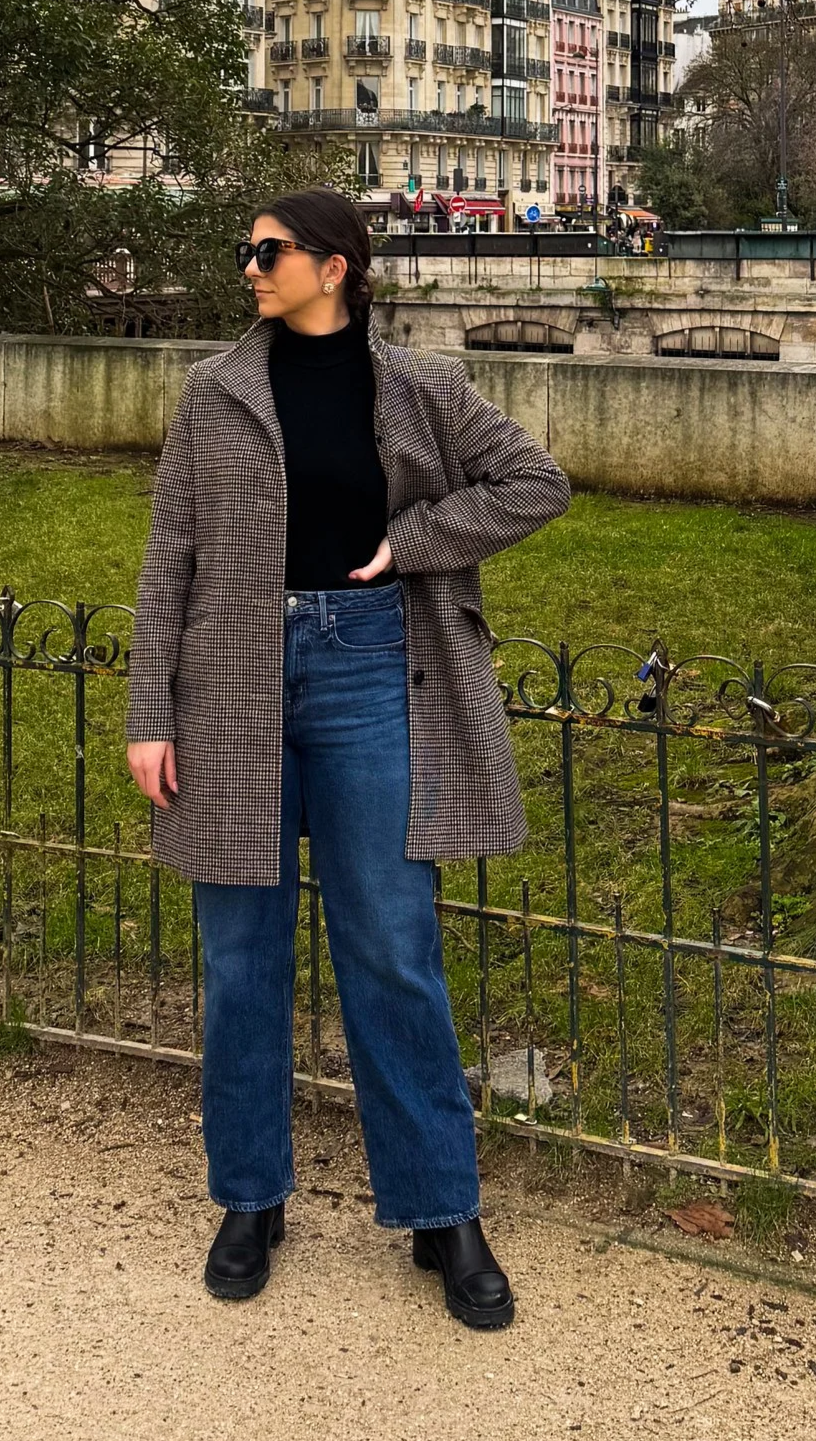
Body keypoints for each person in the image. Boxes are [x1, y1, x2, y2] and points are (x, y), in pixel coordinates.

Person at [125, 188, 570, 1329]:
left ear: (333, 265)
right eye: (249, 251)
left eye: (266, 252)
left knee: (390, 943)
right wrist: (148, 713)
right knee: (240, 954)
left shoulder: (419, 385)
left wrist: (412, 542)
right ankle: (249, 1194)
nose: (250, 269)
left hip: (374, 665)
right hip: (227, 681)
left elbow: (534, 482)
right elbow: (167, 554)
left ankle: (441, 1208)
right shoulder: (213, 390)